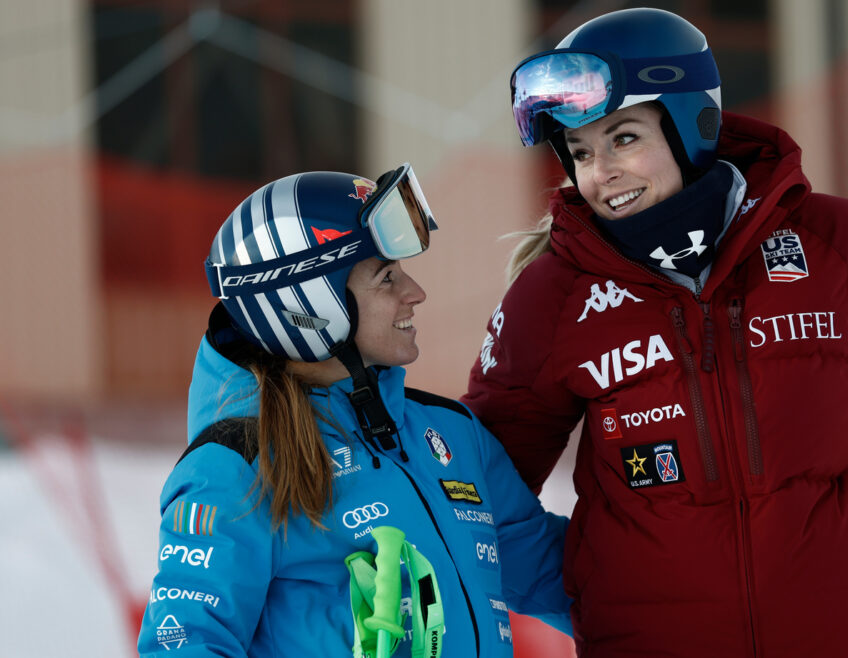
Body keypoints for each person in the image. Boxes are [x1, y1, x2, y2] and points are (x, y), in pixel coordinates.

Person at [461, 7, 848, 657]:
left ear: (692, 122)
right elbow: (476, 486)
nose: (600, 171)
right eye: (579, 151)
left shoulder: (833, 242)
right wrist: (584, 583)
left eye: (623, 138)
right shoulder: (552, 297)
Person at [136, 165, 572, 656]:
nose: (415, 293)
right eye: (387, 278)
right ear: (310, 307)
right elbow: (185, 644)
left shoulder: (453, 434)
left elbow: (556, 576)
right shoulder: (237, 467)